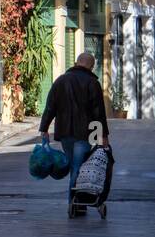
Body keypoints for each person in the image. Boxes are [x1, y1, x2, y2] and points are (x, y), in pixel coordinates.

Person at [39, 52, 110, 214]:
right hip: (84, 134)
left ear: (76, 62)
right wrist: (102, 136)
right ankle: (74, 203)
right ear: (91, 66)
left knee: (74, 167)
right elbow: (98, 113)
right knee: (78, 167)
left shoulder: (60, 81)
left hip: (64, 133)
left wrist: (44, 128)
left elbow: (50, 106)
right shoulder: (92, 83)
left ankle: (79, 203)